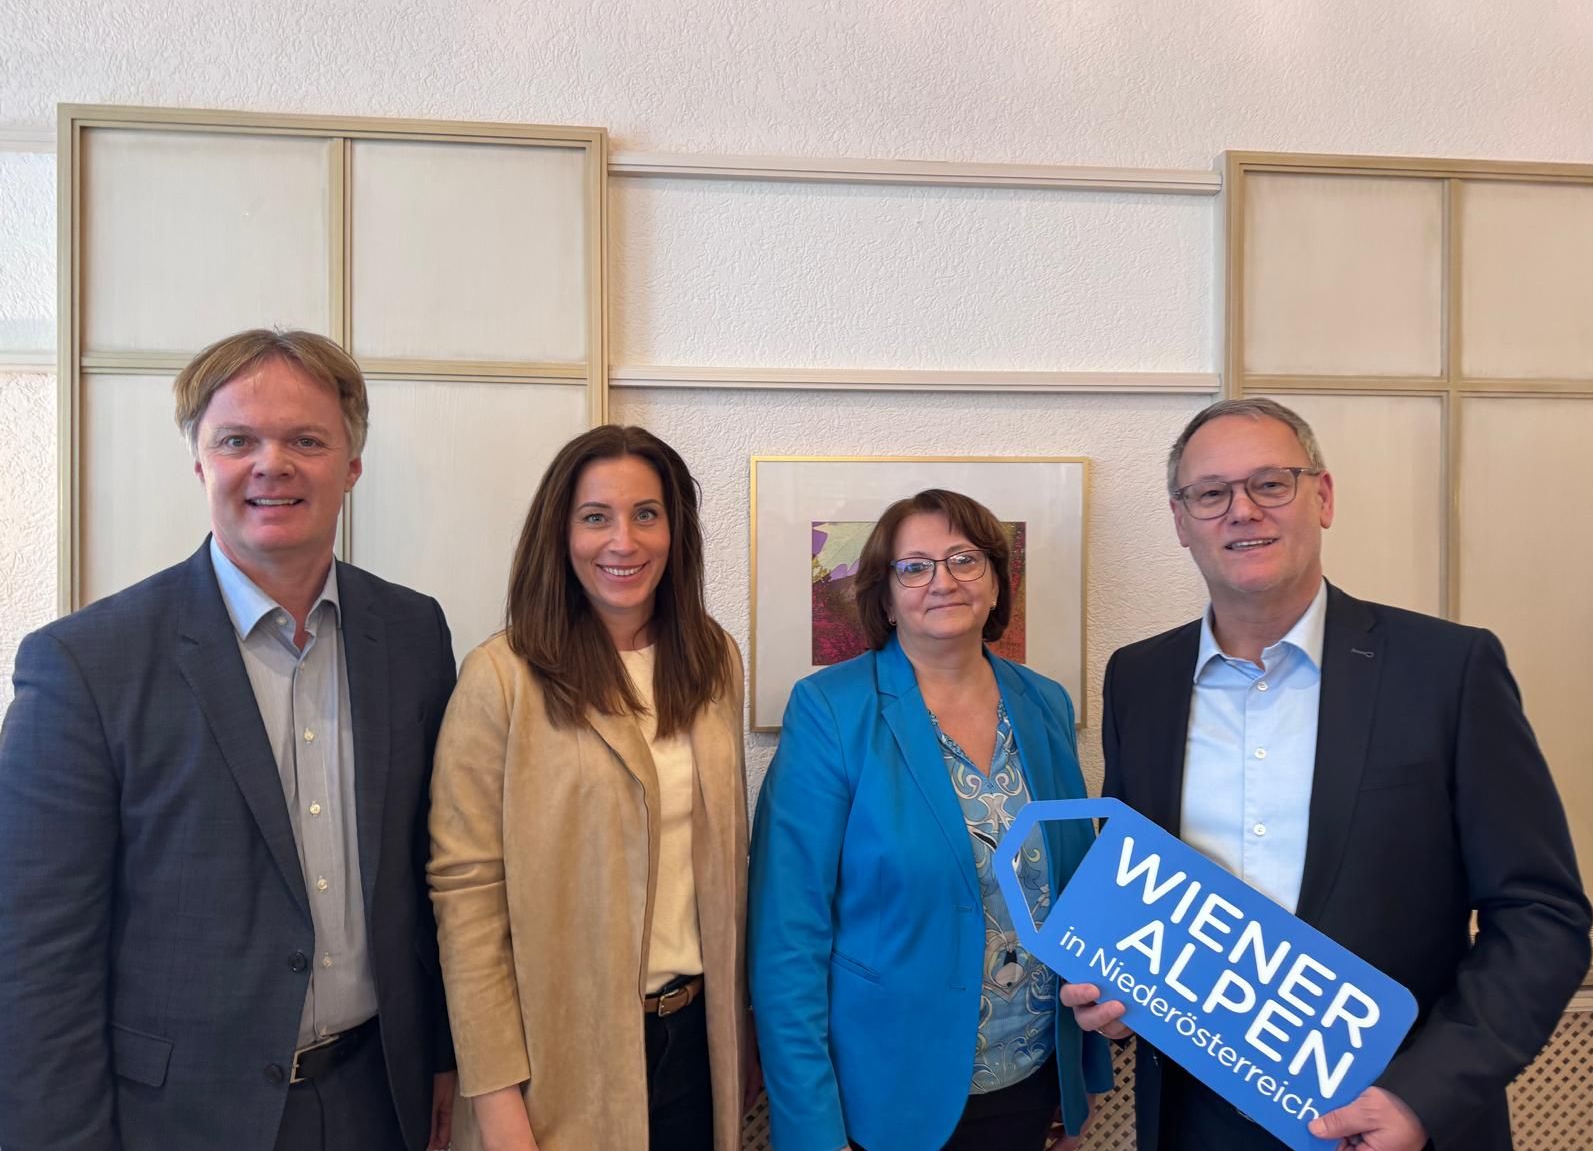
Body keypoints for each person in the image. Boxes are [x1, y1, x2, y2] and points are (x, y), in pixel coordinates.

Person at [1064, 397, 1592, 1151]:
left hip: (1395, 1122)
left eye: (1271, 484)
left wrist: (1421, 1098)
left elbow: (1543, 918)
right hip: (1195, 1122)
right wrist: (1111, 995)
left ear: (1324, 497)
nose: (1242, 511)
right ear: (1182, 522)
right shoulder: (1139, 680)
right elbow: (1133, 892)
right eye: (1211, 494)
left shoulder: (1448, 670)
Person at [0, 329, 458, 1151]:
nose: (271, 464)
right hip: (177, 1120)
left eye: (306, 440)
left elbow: (430, 880)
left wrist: (447, 1061)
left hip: (375, 1098)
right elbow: (35, 963)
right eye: (237, 440)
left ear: (351, 464)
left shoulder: (414, 634)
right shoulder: (84, 665)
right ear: (199, 463)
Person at [749, 489, 1111, 1151]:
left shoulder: (1045, 704)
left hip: (1031, 1082)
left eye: (964, 559)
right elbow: (787, 939)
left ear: (997, 582)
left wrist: (1078, 1077)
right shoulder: (831, 711)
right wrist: (812, 1132)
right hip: (883, 1094)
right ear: (885, 599)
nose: (942, 581)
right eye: (914, 567)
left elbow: (1078, 895)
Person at [428, 424, 749, 1151]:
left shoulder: (712, 658)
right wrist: (496, 1097)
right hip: (560, 1062)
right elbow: (466, 895)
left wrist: (742, 1035)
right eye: (596, 517)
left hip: (698, 1042)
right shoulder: (502, 678)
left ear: (676, 530)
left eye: (647, 514)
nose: (623, 542)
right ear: (561, 532)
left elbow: (729, 865)